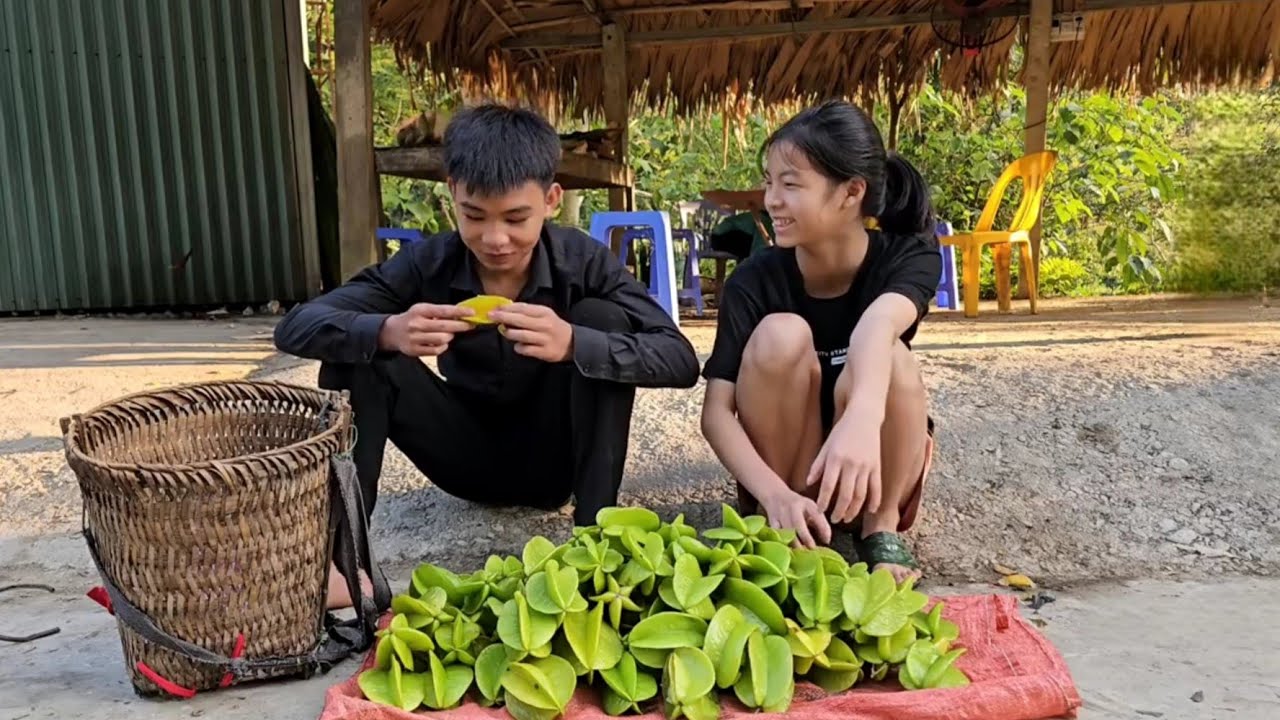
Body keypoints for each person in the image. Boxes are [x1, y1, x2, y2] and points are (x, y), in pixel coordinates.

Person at [274, 104, 701, 608]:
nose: (495, 239)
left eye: (516, 218)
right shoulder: (427, 263)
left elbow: (679, 359)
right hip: (462, 460)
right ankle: (344, 564)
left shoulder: (582, 260)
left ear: (550, 200)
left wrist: (572, 344)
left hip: (555, 467)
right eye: (474, 216)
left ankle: (595, 547)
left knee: (601, 324)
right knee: (361, 348)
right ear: (452, 191)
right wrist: (390, 329)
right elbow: (296, 326)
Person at [699, 99, 942, 583]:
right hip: (790, 480)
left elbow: (877, 325)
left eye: (790, 184)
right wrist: (773, 494)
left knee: (889, 352)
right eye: (769, 182)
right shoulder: (754, 281)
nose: (771, 200)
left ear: (851, 192)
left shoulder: (907, 254)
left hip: (879, 468)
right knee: (780, 334)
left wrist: (860, 419)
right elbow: (716, 414)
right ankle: (799, 519)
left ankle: (880, 527)